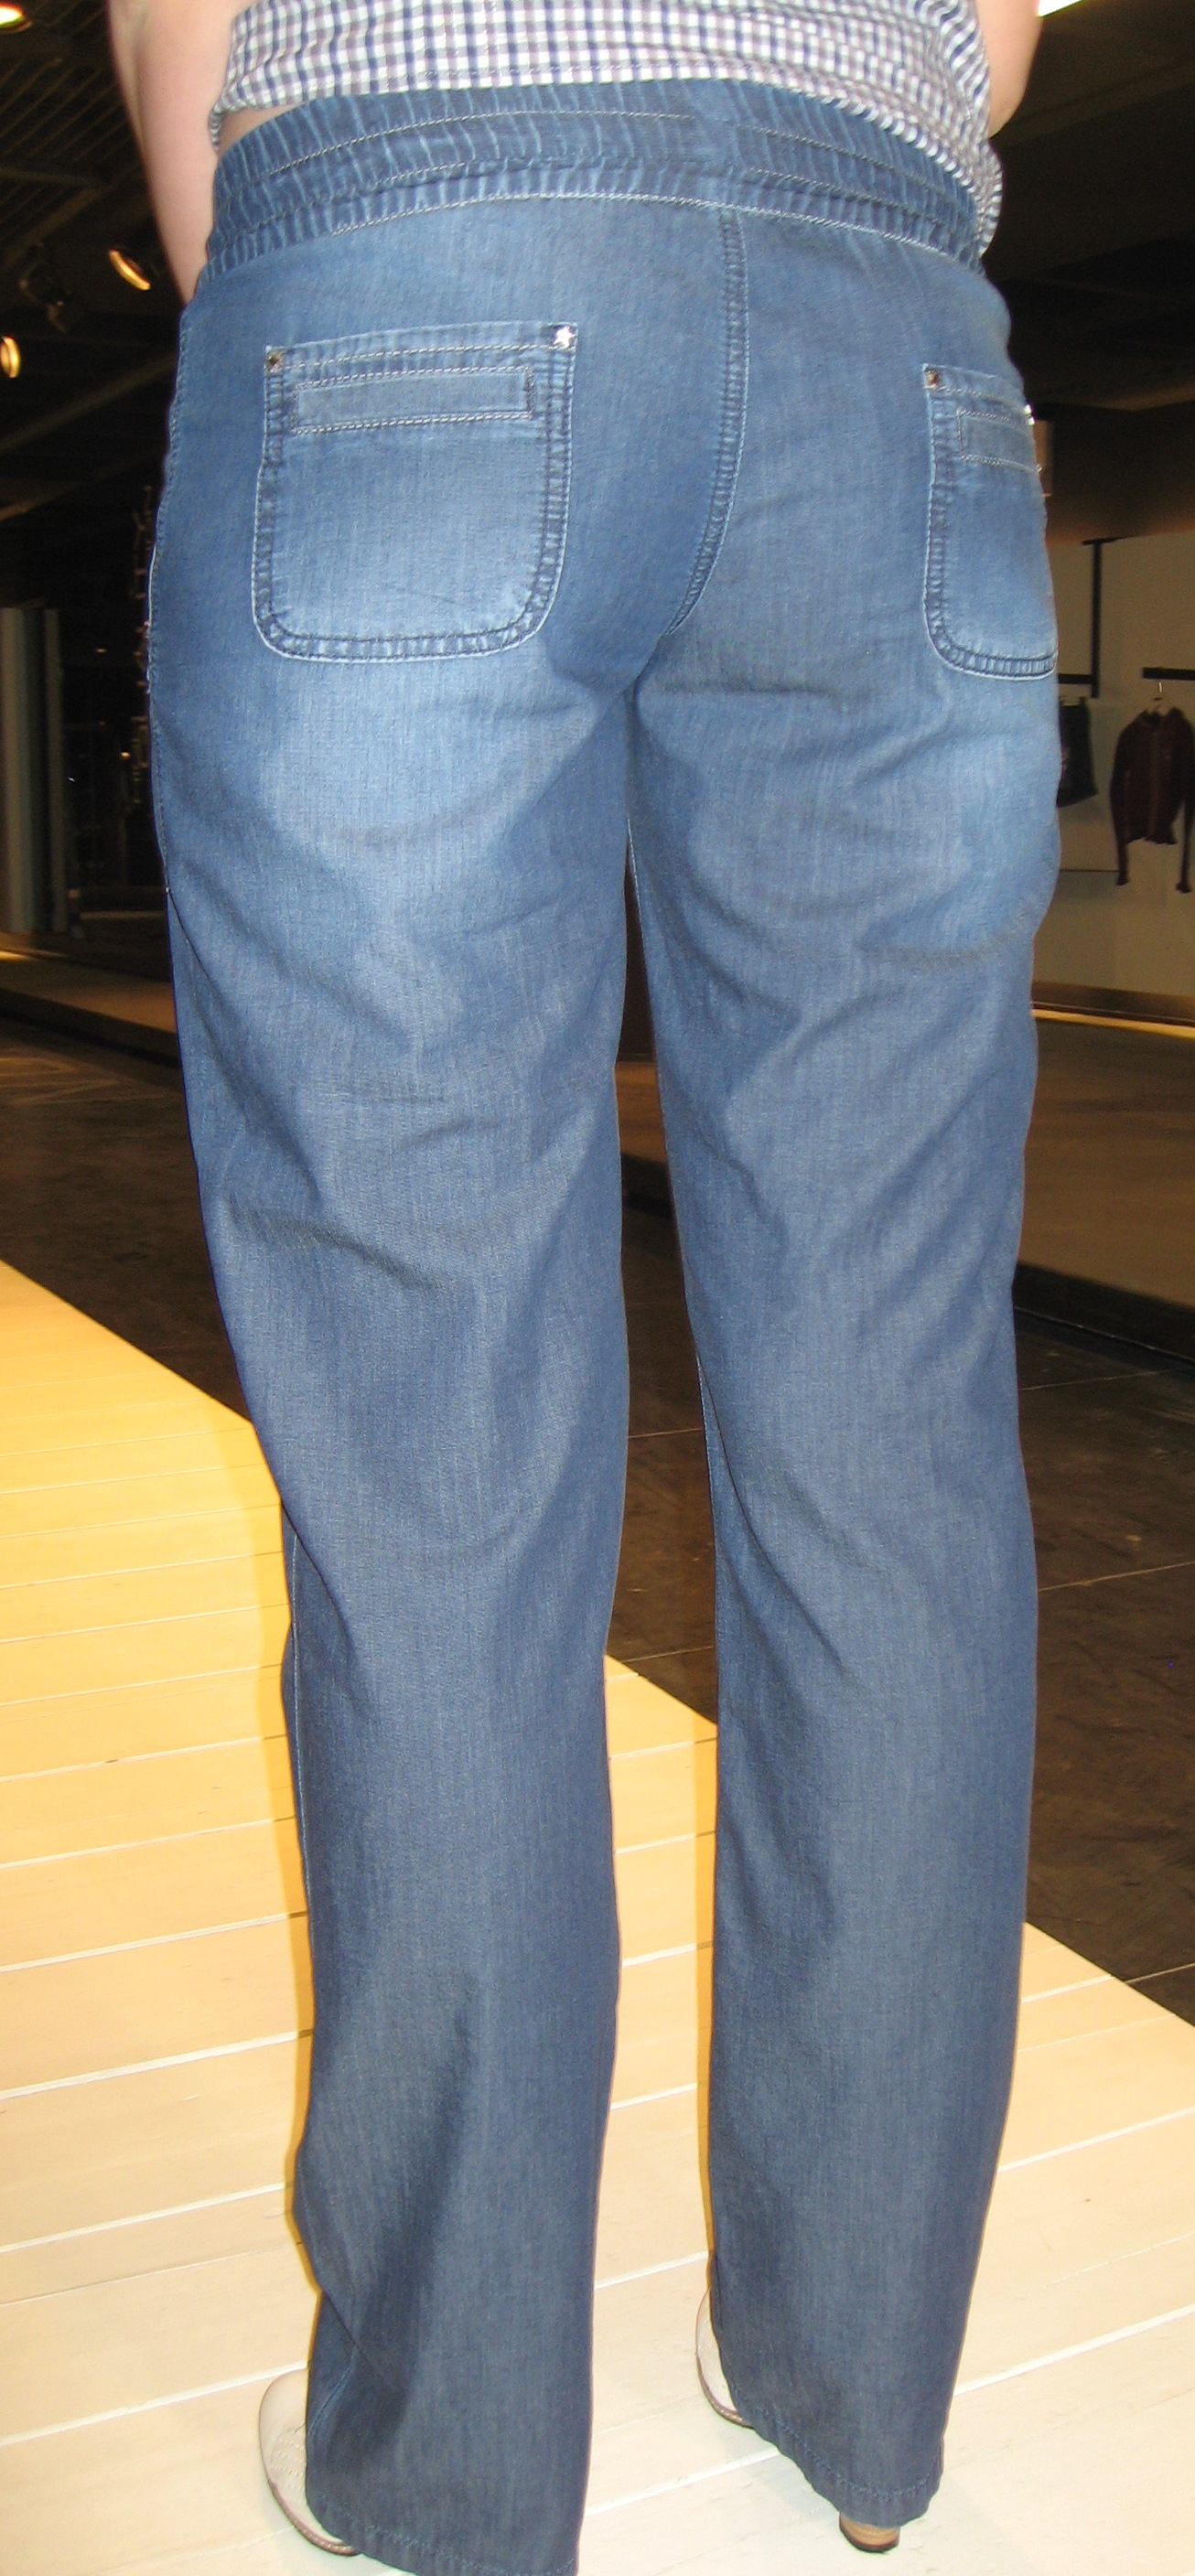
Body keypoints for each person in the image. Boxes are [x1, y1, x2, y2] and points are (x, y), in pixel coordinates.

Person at [110, 0, 1057, 2564]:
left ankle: (451, 2465)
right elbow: (989, 48)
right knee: (890, 1441)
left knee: (431, 1478)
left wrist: (300, 270)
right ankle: (857, 2393)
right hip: (888, 347)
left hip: (401, 248)